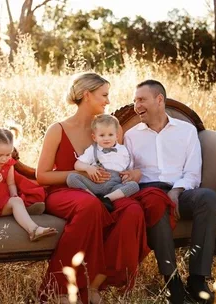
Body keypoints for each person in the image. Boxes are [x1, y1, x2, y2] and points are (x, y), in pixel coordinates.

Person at [36, 72, 175, 304]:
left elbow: (121, 162)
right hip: (65, 191)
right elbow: (42, 176)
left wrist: (131, 173)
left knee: (132, 210)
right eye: (104, 95)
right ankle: (60, 288)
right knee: (90, 206)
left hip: (106, 190)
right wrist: (81, 172)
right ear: (87, 95)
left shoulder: (112, 127)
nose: (108, 101)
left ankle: (96, 283)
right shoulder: (57, 129)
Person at [124, 79, 216, 304]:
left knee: (207, 197)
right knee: (156, 201)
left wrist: (176, 192)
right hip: (147, 193)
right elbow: (127, 173)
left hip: (182, 191)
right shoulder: (130, 136)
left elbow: (193, 172)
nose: (136, 105)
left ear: (159, 100)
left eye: (141, 99)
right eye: (135, 100)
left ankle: (197, 279)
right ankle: (171, 280)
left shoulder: (186, 131)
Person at [66, 113, 140, 212]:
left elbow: (129, 169)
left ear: (117, 136)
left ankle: (106, 199)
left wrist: (127, 175)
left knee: (134, 185)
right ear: (94, 137)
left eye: (110, 134)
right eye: (102, 135)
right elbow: (77, 164)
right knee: (71, 177)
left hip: (115, 186)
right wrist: (89, 168)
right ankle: (93, 198)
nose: (106, 138)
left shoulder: (124, 150)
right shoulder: (93, 149)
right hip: (95, 185)